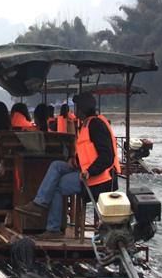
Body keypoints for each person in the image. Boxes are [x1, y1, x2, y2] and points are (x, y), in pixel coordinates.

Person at [14, 93, 120, 240]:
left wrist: (90, 171)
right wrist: (74, 161)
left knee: (58, 186)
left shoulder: (95, 125)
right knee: (57, 165)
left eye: (77, 109)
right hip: (87, 171)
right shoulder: (89, 123)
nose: (75, 112)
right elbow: (88, 153)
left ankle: (53, 229)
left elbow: (107, 157)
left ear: (82, 110)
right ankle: (39, 203)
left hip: (100, 179)